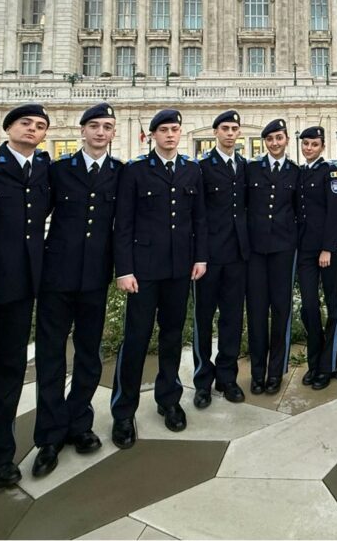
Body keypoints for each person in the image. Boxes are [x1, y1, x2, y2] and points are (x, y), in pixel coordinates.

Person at [31, 103, 122, 478]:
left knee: (89, 354)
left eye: (107, 127)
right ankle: (49, 435)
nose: (101, 132)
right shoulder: (57, 170)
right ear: (82, 131)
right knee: (51, 356)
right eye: (95, 126)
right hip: (57, 275)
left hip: (95, 277)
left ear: (114, 133)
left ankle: (80, 423)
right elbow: (32, 214)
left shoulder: (120, 172)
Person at [110, 109, 207, 446]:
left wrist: (200, 257)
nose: (169, 135)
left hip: (179, 269)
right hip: (144, 270)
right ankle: (124, 411)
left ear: (180, 133)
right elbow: (123, 223)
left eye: (174, 129)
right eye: (163, 129)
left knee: (172, 336)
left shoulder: (191, 170)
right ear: (153, 135)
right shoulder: (136, 170)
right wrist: (124, 269)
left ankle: (169, 399)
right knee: (136, 339)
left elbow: (199, 219)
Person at [0, 104, 53, 487]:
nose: (32, 129)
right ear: (7, 128)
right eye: (25, 123)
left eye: (40, 126)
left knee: (8, 374)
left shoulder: (45, 169)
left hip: (20, 288)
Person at [193, 110, 249, 407]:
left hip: (237, 256)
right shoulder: (202, 166)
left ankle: (227, 377)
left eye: (234, 129)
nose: (230, 133)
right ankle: (203, 381)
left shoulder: (244, 165)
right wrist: (199, 255)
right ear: (215, 132)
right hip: (209, 256)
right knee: (203, 319)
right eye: (225, 128)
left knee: (232, 318)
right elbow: (198, 215)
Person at [245, 119, 299, 394]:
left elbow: (298, 210)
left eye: (279, 138)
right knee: (256, 312)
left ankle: (275, 372)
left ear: (286, 139)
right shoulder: (252, 169)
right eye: (270, 139)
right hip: (255, 251)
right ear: (264, 142)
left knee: (281, 311)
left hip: (283, 251)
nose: (275, 143)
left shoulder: (295, 172)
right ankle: (257, 373)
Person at [295, 125, 337, 390]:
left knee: (334, 307)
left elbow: (334, 212)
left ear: (322, 146)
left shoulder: (330, 172)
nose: (309, 148)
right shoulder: (301, 172)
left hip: (327, 251)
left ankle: (327, 365)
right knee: (309, 306)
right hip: (305, 250)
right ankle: (314, 362)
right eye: (305, 144)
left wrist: (328, 248)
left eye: (314, 144)